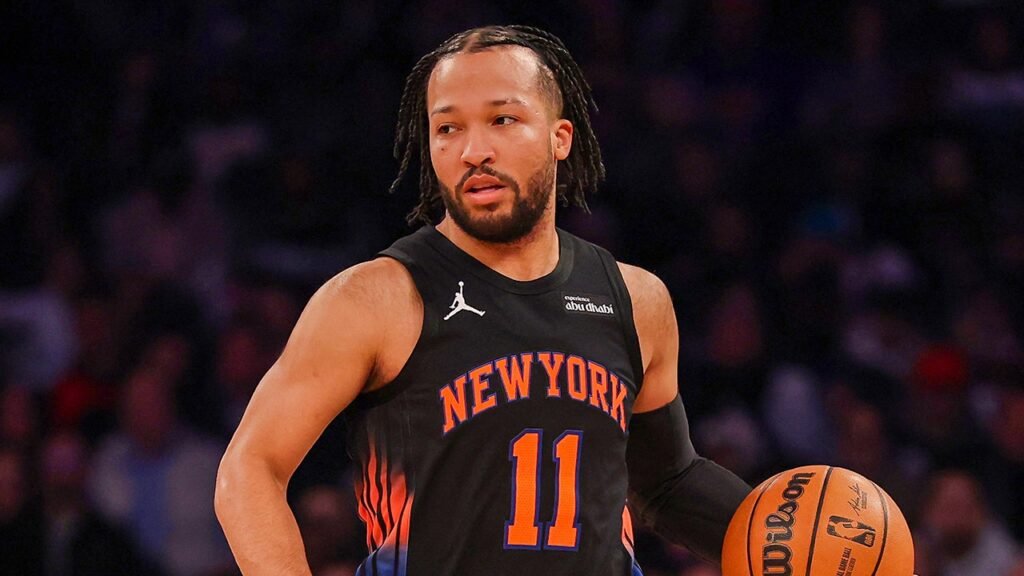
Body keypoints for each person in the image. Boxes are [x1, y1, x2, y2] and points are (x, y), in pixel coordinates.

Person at [215, 25, 751, 575]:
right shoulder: (375, 298)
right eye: (448, 128)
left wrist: (780, 534)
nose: (474, 151)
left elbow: (667, 482)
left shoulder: (637, 300)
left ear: (560, 137)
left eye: (503, 119)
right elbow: (250, 468)